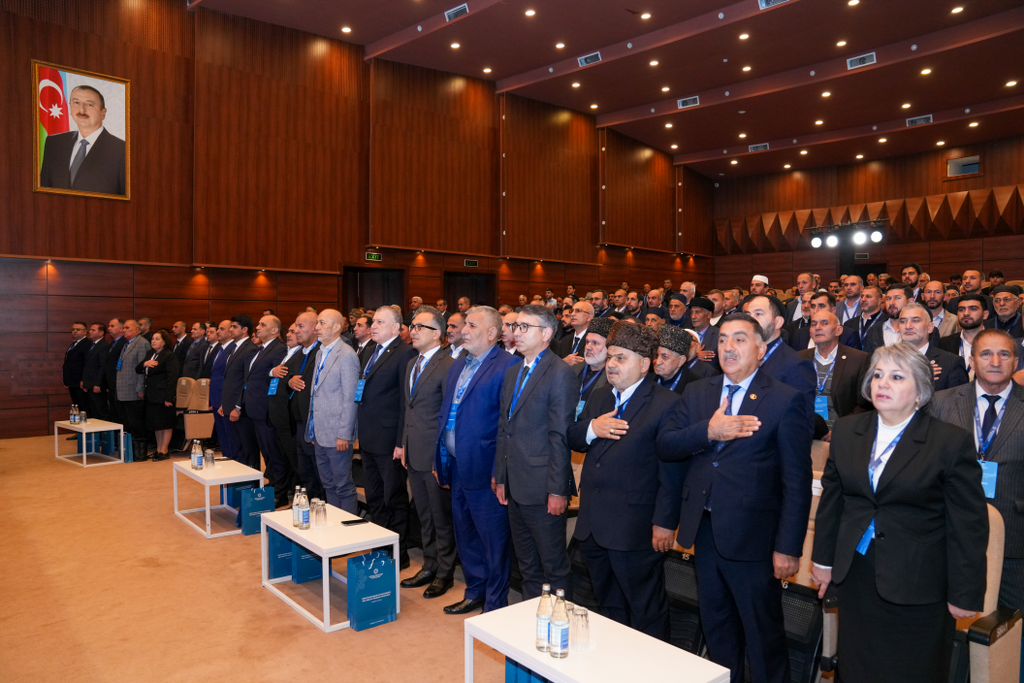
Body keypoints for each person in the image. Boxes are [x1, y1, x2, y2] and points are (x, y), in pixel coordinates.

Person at [811, 343, 988, 683]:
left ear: (920, 391)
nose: (882, 383)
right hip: (857, 576)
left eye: (896, 377)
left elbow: (969, 524)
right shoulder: (847, 431)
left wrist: (964, 593)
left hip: (918, 584)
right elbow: (833, 501)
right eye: (877, 375)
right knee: (857, 669)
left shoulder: (950, 442)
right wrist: (822, 561)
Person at [659, 313, 813, 683]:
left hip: (755, 537)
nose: (729, 347)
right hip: (705, 530)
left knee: (762, 634)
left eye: (740, 339)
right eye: (724, 338)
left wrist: (788, 547)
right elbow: (666, 445)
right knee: (717, 626)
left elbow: (796, 481)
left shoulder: (784, 400)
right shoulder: (698, 392)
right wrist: (708, 431)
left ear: (760, 349)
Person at [568, 322, 684, 639]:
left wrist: (665, 522)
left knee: (646, 609)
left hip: (635, 528)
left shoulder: (666, 403)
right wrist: (592, 428)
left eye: (621, 358)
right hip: (593, 524)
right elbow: (574, 436)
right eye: (610, 357)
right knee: (608, 606)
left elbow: (672, 471)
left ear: (644, 364)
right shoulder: (601, 396)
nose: (612, 365)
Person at [930, 329, 1024, 628]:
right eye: (986, 354)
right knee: (946, 625)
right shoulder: (941, 402)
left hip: (1014, 540)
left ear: (1016, 362)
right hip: (948, 533)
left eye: (1004, 354)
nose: (995, 361)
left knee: (1010, 631)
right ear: (971, 361)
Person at [434, 306, 520, 615]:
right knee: (466, 534)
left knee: (493, 540)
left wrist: (500, 471)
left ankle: (495, 604)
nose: (463, 330)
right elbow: (446, 413)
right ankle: (475, 591)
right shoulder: (458, 363)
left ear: (492, 333)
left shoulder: (509, 365)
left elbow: (507, 426)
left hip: (487, 469)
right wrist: (439, 457)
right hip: (457, 464)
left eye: (472, 325)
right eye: (465, 324)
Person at [494, 305, 577, 600]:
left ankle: (560, 624)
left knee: (554, 566)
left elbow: (560, 436)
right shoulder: (513, 371)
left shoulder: (560, 373)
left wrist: (557, 489)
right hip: (514, 483)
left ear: (546, 333)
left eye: (524, 327)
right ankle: (532, 621)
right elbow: (504, 427)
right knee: (527, 566)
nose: (516, 332)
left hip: (543, 488)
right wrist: (500, 477)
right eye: (515, 326)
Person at [395, 307, 457, 599]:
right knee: (424, 515)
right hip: (413, 451)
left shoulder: (449, 365)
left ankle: (444, 573)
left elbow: (448, 418)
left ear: (438, 334)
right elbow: (407, 410)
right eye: (413, 325)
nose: (414, 330)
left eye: (421, 326)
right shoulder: (412, 363)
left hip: (435, 456)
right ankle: (429, 565)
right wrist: (403, 444)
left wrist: (441, 457)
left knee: (441, 517)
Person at [357, 306, 418, 566]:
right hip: (368, 437)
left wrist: (400, 442)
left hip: (389, 439)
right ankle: (380, 546)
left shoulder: (405, 353)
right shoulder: (370, 350)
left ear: (395, 328)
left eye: (380, 322)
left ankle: (399, 553)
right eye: (373, 321)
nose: (373, 326)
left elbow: (406, 402)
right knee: (374, 497)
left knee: (394, 498)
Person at [306, 309, 360, 512]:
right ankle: (333, 524)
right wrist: (313, 428)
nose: (316, 327)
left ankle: (347, 528)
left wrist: (344, 434)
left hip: (338, 434)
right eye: (317, 323)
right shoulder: (320, 352)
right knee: (328, 484)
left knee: (343, 485)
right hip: (320, 431)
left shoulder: (346, 355)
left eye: (322, 323)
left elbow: (350, 398)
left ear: (337, 327)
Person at [39, 84, 126, 195]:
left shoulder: (121, 150)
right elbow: (44, 191)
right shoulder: (54, 143)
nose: (82, 110)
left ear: (103, 113)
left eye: (89, 104)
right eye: (76, 103)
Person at [240, 315, 291, 507]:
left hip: (267, 409)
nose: (257, 328)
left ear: (275, 330)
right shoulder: (261, 349)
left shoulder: (279, 349)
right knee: (267, 452)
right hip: (255, 407)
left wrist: (270, 372)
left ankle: (280, 492)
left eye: (263, 325)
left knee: (274, 452)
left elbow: (278, 375)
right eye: (258, 324)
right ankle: (274, 484)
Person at [797, 311, 871, 439]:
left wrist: (839, 430)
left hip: (843, 434)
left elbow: (864, 405)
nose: (818, 327)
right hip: (805, 432)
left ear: (838, 330)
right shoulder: (799, 358)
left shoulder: (858, 359)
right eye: (813, 324)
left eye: (824, 323)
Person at [282, 312, 324, 500]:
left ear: (315, 328)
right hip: (298, 421)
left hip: (315, 423)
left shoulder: (322, 352)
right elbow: (286, 376)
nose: (296, 331)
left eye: (300, 327)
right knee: (305, 471)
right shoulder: (299, 352)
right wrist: (290, 381)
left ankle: (321, 507)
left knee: (318, 472)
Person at [898, 303, 970, 392]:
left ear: (930, 327)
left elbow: (959, 400)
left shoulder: (951, 363)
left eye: (915, 321)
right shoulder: (887, 361)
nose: (908, 326)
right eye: (903, 321)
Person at [219, 315, 259, 466]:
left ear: (244, 330)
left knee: (248, 447)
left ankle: (252, 477)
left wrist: (237, 406)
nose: (231, 329)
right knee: (238, 446)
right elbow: (231, 379)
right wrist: (224, 403)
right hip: (230, 405)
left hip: (242, 408)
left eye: (234, 327)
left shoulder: (250, 349)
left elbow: (246, 381)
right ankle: (242, 476)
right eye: (231, 326)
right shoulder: (235, 348)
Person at [136, 329, 180, 461]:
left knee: (165, 423)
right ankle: (159, 449)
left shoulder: (169, 355)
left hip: (163, 395)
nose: (153, 341)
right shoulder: (150, 354)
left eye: (157, 339)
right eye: (153, 339)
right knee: (156, 424)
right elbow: (138, 369)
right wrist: (145, 363)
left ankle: (164, 451)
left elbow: (172, 378)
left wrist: (169, 397)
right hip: (151, 394)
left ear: (164, 342)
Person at [115, 320, 152, 461]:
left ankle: (140, 453)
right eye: (123, 328)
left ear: (137, 329)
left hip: (134, 390)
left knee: (137, 422)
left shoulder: (142, 343)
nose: (123, 330)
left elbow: (143, 369)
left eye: (127, 328)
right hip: (123, 389)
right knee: (127, 422)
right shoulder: (126, 344)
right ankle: (129, 451)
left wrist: (140, 388)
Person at [938, 293, 989, 380]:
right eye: (961, 309)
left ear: (985, 314)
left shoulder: (997, 343)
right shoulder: (944, 344)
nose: (966, 313)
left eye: (973, 309)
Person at [574, 318, 612, 413]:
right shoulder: (573, 369)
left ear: (609, 348)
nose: (588, 347)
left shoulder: (613, 378)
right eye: (587, 342)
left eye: (595, 343)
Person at [653, 325, 700, 395]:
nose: (657, 362)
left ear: (681, 360)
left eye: (664, 357)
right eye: (656, 356)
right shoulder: (648, 379)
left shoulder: (696, 387)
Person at [844, 285, 886, 354]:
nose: (863, 299)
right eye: (862, 296)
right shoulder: (849, 324)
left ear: (879, 301)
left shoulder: (887, 321)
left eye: (868, 296)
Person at [80, 322, 110, 420]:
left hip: (96, 385)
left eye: (93, 330)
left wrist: (98, 384)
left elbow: (103, 366)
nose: (90, 332)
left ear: (101, 333)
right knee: (93, 412)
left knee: (101, 411)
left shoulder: (104, 345)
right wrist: (84, 381)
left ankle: (104, 430)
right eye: (90, 330)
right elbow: (88, 365)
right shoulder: (93, 345)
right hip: (89, 384)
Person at [104, 318, 127, 429]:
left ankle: (122, 435)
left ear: (121, 328)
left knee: (120, 412)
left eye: (112, 326)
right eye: (109, 326)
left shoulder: (124, 342)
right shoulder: (113, 342)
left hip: (120, 383)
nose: (109, 328)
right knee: (113, 412)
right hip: (112, 383)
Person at [63, 322, 90, 409]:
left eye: (78, 329)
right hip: (72, 381)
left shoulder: (87, 344)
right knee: (76, 405)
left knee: (83, 406)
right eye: (73, 329)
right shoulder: (74, 344)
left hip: (80, 382)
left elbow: (87, 364)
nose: (75, 331)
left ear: (85, 332)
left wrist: (83, 380)